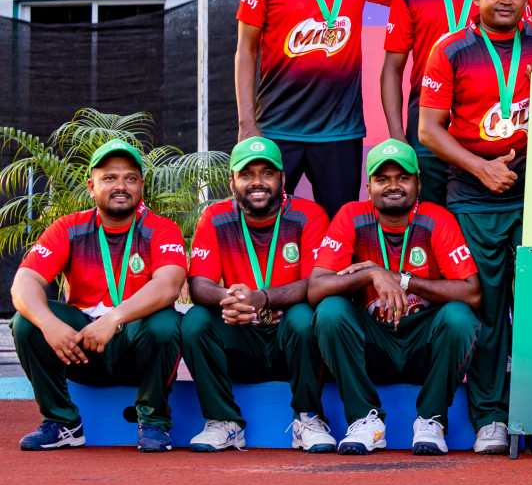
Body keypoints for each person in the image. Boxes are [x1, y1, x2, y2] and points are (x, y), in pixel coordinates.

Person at [418, 0, 532, 455]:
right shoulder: (451, 49)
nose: (505, 0)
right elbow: (428, 130)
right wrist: (482, 167)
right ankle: (491, 419)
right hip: (474, 197)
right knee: (488, 313)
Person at [236, 0, 402, 215]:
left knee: (341, 227)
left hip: (340, 131)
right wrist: (247, 123)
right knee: (264, 221)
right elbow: (246, 50)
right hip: (277, 128)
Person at [10, 139, 187, 452]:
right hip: (81, 351)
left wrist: (115, 318)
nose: (121, 186)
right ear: (91, 187)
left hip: (135, 349)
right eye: (109, 178)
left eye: (130, 178)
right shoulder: (68, 228)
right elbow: (24, 282)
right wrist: (50, 325)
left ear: (141, 186)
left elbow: (169, 285)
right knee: (26, 321)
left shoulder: (161, 228)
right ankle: (62, 422)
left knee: (165, 321)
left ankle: (154, 421)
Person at [309, 141, 482, 456]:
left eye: (402, 178)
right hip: (372, 344)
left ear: (418, 182)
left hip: (422, 343)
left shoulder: (436, 218)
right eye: (382, 179)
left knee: (459, 317)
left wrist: (403, 280)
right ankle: (365, 421)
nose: (392, 186)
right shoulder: (351, 216)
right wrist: (371, 273)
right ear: (369, 186)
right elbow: (315, 289)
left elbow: (471, 292)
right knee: (330, 310)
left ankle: (432, 419)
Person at [182, 137, 334, 453]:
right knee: (196, 320)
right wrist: (232, 299)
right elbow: (199, 286)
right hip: (241, 341)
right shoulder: (215, 216)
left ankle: (308, 418)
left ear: (282, 177)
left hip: (290, 344)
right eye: (247, 174)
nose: (257, 182)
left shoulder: (309, 215)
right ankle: (223, 422)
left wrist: (260, 298)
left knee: (305, 316)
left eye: (267, 173)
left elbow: (315, 284)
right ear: (232, 181)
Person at [382, 0, 506, 206]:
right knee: (431, 229)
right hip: (427, 131)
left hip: (487, 128)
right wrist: (398, 138)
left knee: (481, 228)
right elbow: (391, 69)